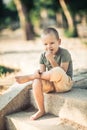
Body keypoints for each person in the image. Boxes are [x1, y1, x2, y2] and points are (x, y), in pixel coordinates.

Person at [15, 27, 73, 120]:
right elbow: (42, 74)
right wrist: (37, 74)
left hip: (64, 83)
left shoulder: (64, 53)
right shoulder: (42, 56)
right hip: (52, 85)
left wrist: (51, 59)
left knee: (57, 70)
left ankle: (31, 76)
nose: (49, 46)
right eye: (45, 44)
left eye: (52, 43)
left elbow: (63, 72)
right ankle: (41, 110)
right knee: (37, 80)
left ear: (59, 41)